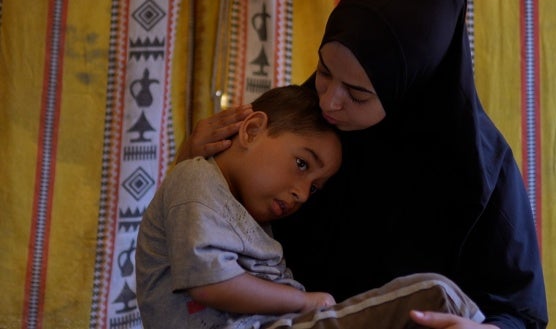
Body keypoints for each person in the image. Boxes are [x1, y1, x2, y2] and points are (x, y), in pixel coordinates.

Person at [177, 0, 548, 329]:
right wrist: (193, 162)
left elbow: (522, 312)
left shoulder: (480, 169)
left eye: (357, 94)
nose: (329, 101)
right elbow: (200, 236)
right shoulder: (297, 123)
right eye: (323, 70)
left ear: (411, 88)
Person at [137, 84, 485, 329]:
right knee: (433, 295)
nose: (303, 194)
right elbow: (209, 281)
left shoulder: (246, 212)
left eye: (315, 188)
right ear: (252, 129)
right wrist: (304, 302)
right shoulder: (194, 176)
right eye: (302, 164)